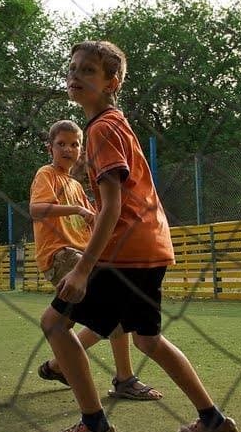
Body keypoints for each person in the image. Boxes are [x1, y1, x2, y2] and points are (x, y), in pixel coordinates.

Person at [38, 40, 239, 432]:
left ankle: (94, 429)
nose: (75, 75)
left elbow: (112, 206)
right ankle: (213, 422)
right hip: (151, 245)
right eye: (73, 68)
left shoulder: (100, 129)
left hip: (125, 250)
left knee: (55, 324)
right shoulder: (114, 124)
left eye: (88, 70)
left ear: (113, 81)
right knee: (149, 340)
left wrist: (81, 269)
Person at [31, 118, 163, 402]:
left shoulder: (77, 185)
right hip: (61, 254)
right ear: (49, 148)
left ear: (81, 150)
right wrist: (78, 210)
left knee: (109, 316)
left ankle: (60, 366)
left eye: (75, 144)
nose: (68, 149)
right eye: (61, 144)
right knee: (108, 311)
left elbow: (97, 222)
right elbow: (36, 209)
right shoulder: (47, 174)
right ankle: (123, 379)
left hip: (80, 256)